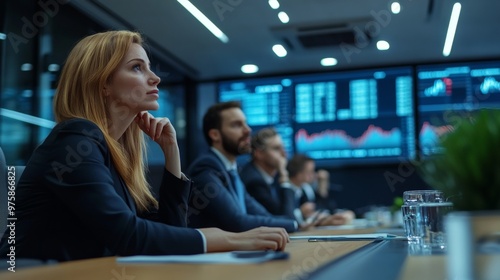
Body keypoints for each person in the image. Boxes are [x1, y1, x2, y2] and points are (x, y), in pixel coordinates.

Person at [0, 31, 288, 262]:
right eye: (137, 68)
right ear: (103, 85)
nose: (155, 78)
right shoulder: (75, 139)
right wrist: (230, 239)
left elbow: (169, 231)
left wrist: (171, 154)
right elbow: (128, 235)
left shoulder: (112, 150)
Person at [186, 101, 297, 233]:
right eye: (237, 125)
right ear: (215, 135)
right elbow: (237, 222)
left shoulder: (231, 170)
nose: (248, 130)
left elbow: (264, 216)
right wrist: (294, 224)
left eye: (245, 123)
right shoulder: (206, 167)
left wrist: (297, 223)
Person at [239, 128, 303, 223]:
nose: (284, 154)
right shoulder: (254, 182)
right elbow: (287, 217)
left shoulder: (272, 177)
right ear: (259, 154)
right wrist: (284, 176)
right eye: (276, 148)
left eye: (283, 148)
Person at [287, 154, 355, 225]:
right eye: (311, 171)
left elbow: (321, 209)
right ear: (299, 174)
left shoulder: (305, 188)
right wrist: (301, 212)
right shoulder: (285, 190)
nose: (314, 174)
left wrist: (322, 189)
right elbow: (289, 217)